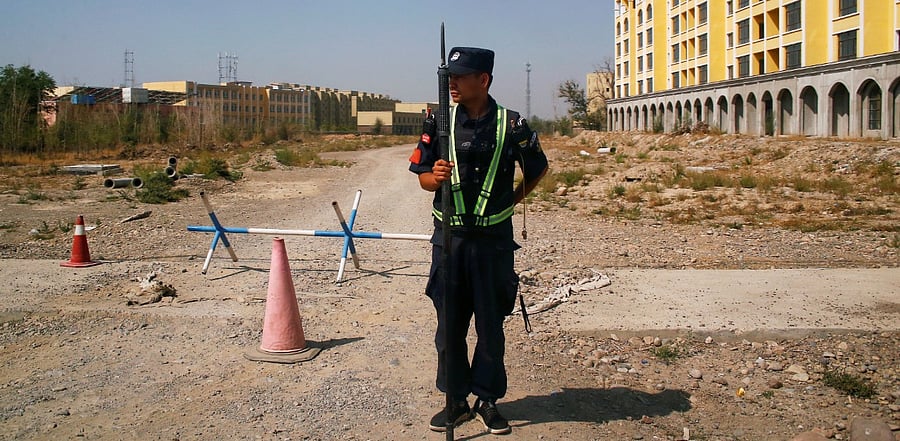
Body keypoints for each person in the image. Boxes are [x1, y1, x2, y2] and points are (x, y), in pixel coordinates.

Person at [408, 46, 548, 435]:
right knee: (449, 327)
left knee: (490, 326)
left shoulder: (512, 124)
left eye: (460, 76)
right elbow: (420, 176)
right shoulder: (438, 121)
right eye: (449, 76)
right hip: (450, 241)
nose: (451, 83)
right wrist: (433, 178)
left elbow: (538, 168)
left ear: (483, 80)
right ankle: (455, 401)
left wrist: (511, 201)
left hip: (493, 244)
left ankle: (487, 400)